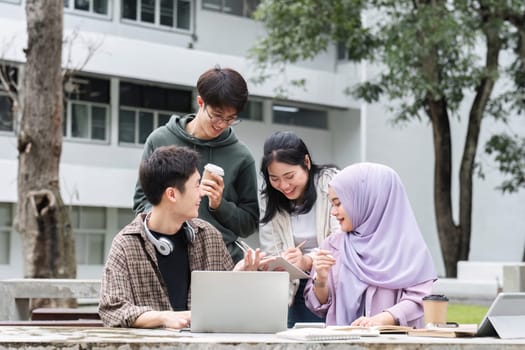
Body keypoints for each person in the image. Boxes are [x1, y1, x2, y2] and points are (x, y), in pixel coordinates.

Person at [99, 146, 263, 328]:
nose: (202, 193)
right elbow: (112, 310)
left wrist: (238, 277)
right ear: (172, 194)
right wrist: (163, 318)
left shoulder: (208, 236)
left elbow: (226, 305)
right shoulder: (126, 244)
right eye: (196, 185)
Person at [132, 66, 259, 264]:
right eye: (216, 115)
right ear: (201, 102)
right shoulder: (160, 140)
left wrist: (220, 205)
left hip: (221, 259)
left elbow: (249, 224)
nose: (221, 124)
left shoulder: (241, 156)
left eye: (230, 119)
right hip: (168, 252)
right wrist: (173, 213)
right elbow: (141, 202)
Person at [304, 162, 437, 328]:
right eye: (332, 204)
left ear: (367, 200)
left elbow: (420, 298)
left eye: (338, 203)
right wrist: (321, 280)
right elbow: (318, 305)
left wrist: (381, 319)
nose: (333, 212)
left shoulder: (409, 249)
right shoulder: (332, 245)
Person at [258, 131, 340, 328]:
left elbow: (341, 238)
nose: (284, 185)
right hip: (292, 288)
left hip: (333, 281)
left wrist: (307, 261)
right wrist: (282, 262)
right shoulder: (268, 198)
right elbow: (271, 247)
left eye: (289, 176)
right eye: (274, 178)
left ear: (306, 162)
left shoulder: (332, 182)